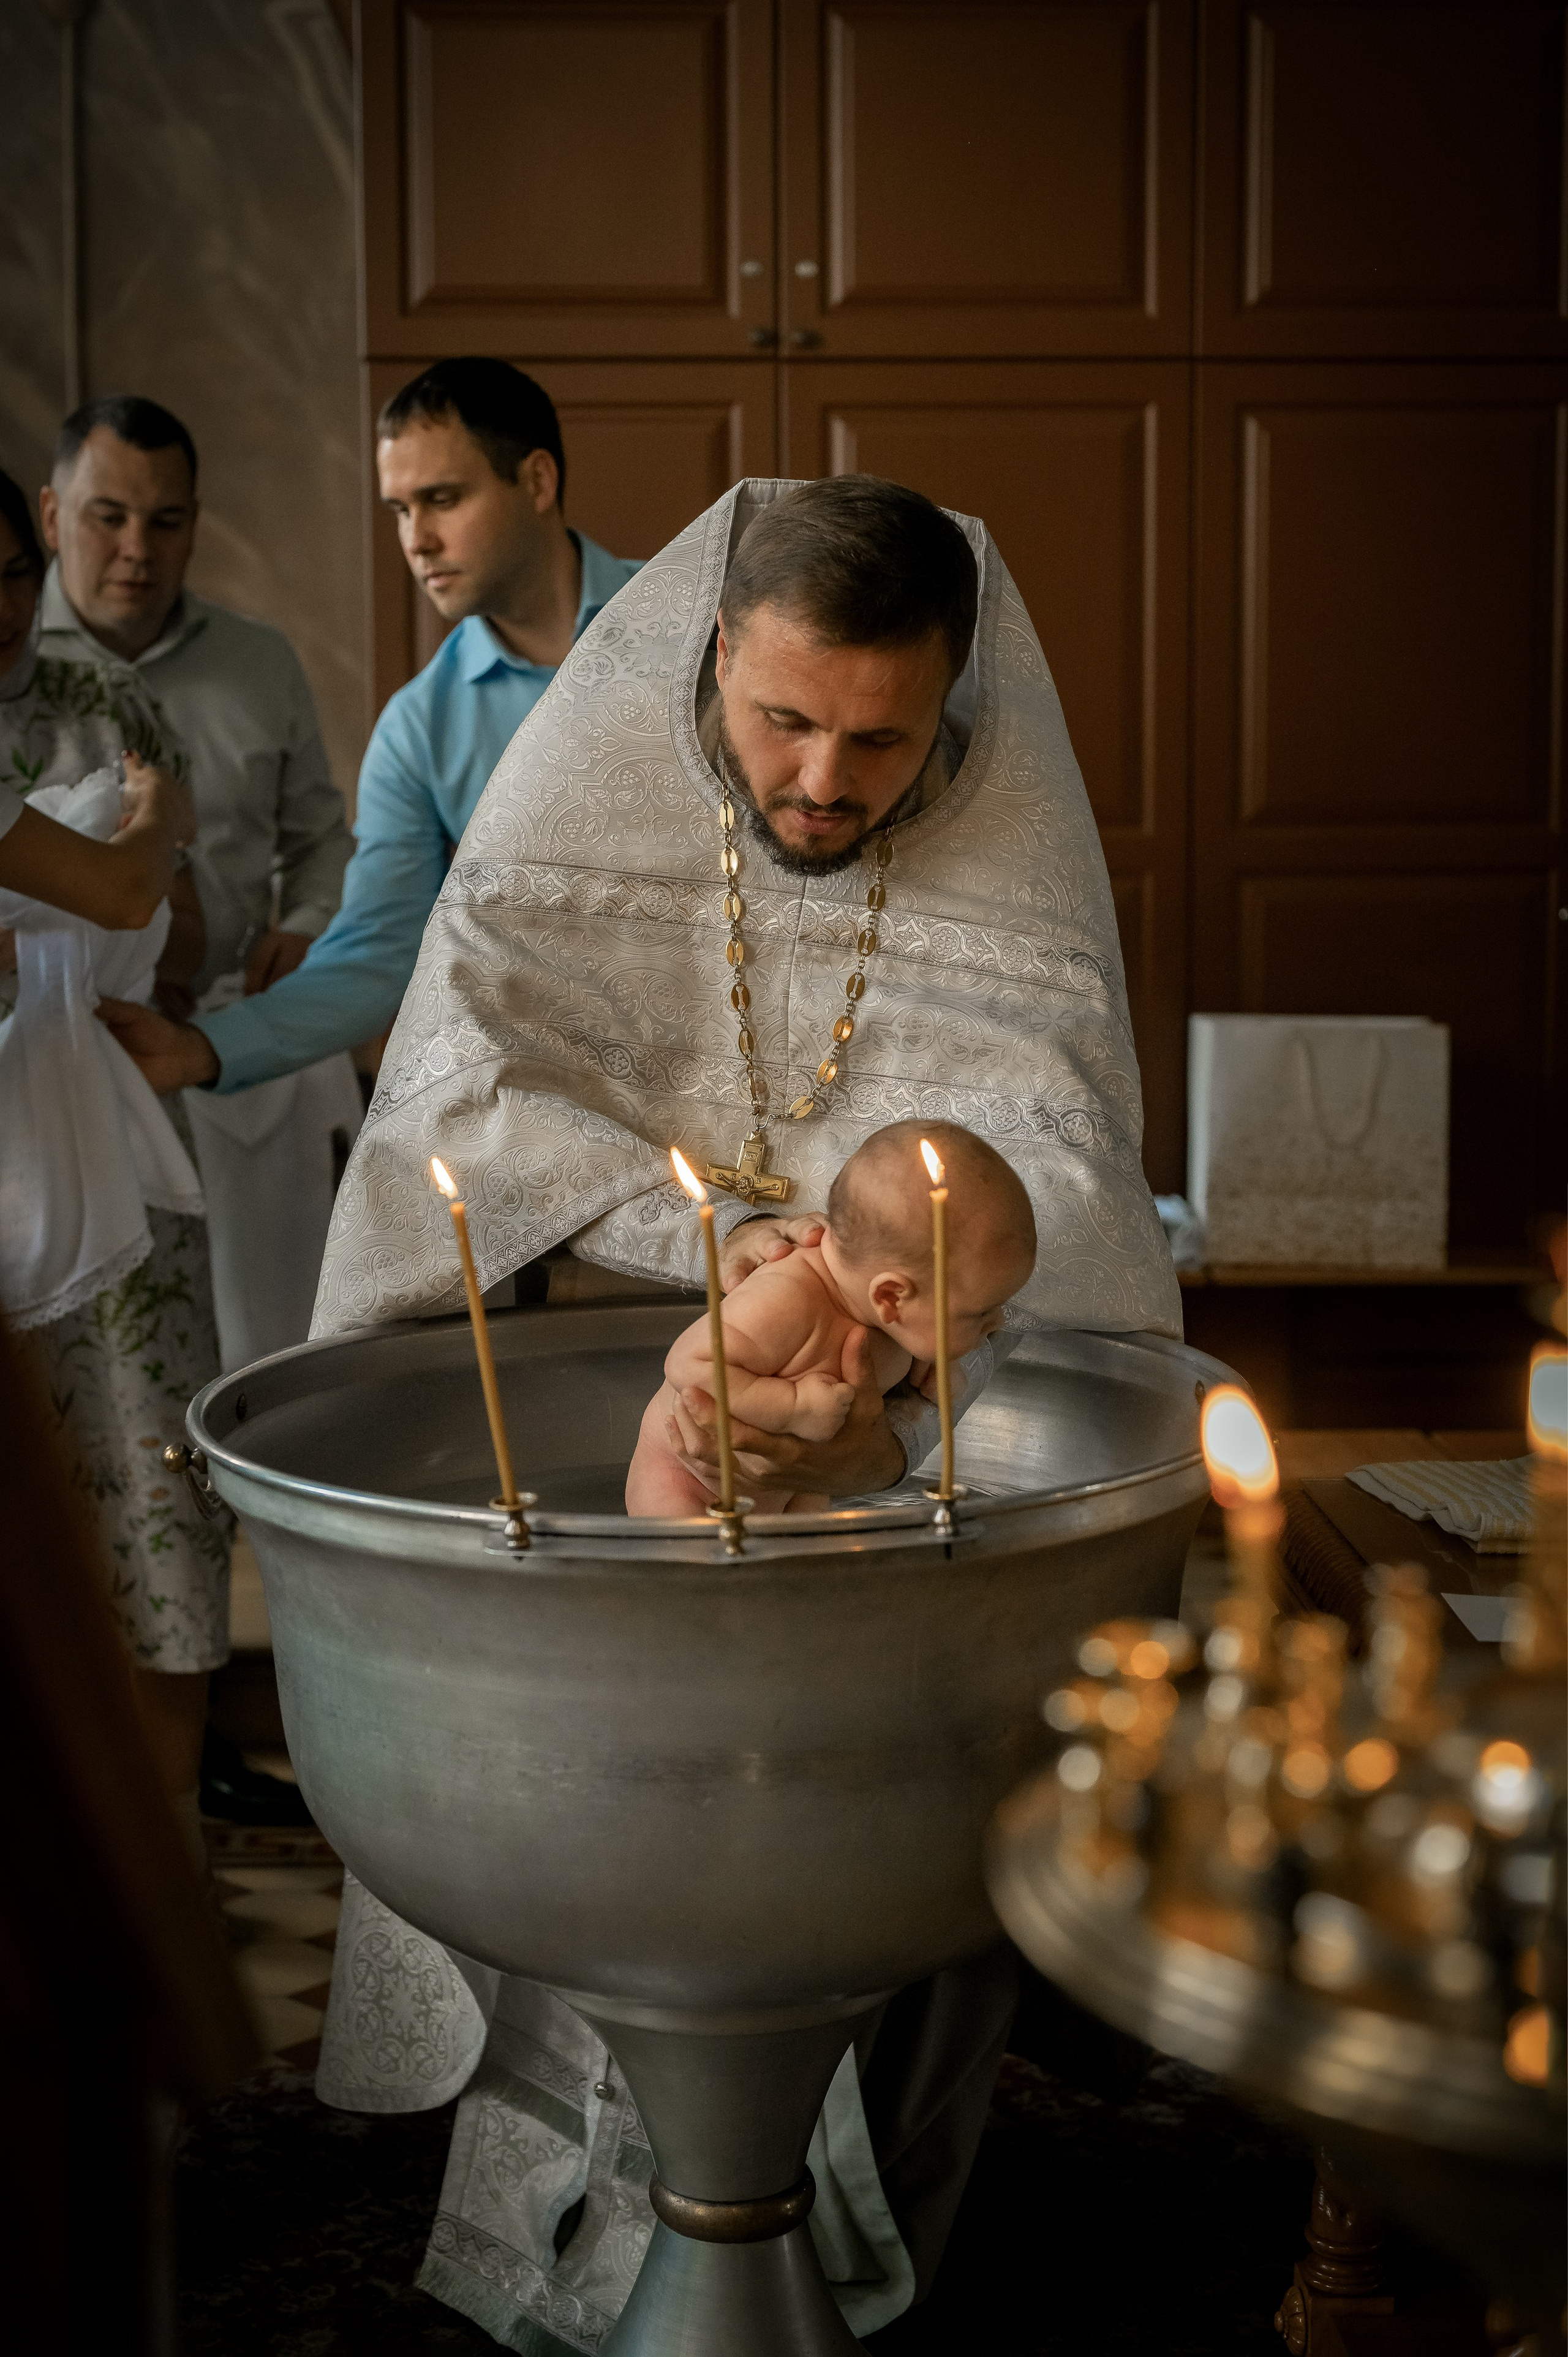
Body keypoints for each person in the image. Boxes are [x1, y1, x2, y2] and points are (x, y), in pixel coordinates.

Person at [297, 474, 1182, 2351]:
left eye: (880, 738)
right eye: (783, 720)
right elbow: (445, 1126)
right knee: (584, 1851)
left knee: (901, 1896)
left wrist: (886, 1413)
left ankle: (841, 2290)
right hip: (599, 1481)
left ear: (953, 703)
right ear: (711, 659)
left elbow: (1069, 1208)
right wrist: (703, 1244)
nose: (823, 780)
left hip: (906, 1489)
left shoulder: (997, 846)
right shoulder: (578, 797)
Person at [99, 358, 645, 1106]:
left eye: (442, 499)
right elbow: (377, 953)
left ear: (538, 481)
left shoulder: (703, 626)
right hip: (582, 1096)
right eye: (398, 509)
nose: (416, 539)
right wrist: (201, 1049)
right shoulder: (420, 729)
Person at [36, 393, 362, 1386]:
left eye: (166, 520)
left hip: (231, 1038)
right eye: (109, 516)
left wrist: (306, 926)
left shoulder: (258, 661)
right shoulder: (13, 672)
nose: (138, 547)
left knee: (260, 1344)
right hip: (58, 1059)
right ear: (53, 516)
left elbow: (320, 838)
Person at [0, 467, 225, 1866]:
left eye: (12, 571)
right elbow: (135, 878)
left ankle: (160, 1855)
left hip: (92, 1120)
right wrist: (151, 822)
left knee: (149, 1487)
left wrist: (166, 985)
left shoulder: (95, 708)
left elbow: (170, 923)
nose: (1, 606)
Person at [627, 1121, 1036, 1515]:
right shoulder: (786, 1299)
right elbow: (689, 1364)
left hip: (789, 1488)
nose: (999, 1322)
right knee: (699, 1570)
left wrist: (929, 1366)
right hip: (687, 1483)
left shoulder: (894, 1322)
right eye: (980, 1312)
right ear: (891, 1297)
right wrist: (791, 1406)